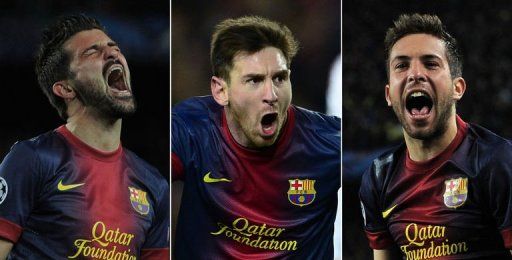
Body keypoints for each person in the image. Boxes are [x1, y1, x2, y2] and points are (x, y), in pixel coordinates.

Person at [0, 14, 169, 259]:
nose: (113, 54)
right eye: (92, 51)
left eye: (115, 48)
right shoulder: (32, 159)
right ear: (66, 88)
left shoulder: (154, 185)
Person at [171, 16, 340, 258]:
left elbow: (391, 174)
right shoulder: (191, 128)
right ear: (220, 90)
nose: (271, 94)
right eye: (254, 80)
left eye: (280, 78)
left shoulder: (328, 141)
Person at [359, 13, 512, 259]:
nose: (415, 74)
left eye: (431, 63)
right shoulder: (378, 178)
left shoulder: (498, 162)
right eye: (401, 65)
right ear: (389, 95)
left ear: (457, 88)